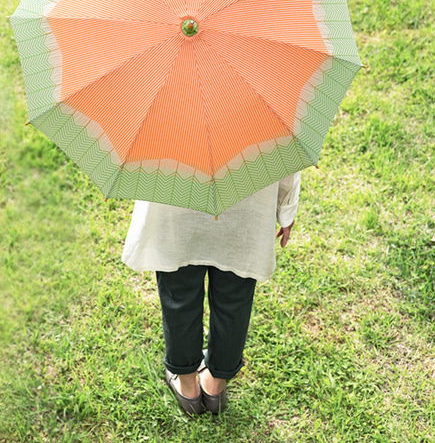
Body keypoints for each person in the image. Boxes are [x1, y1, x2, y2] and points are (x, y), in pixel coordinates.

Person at [122, 172, 301, 415]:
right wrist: (286, 210)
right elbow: (287, 158)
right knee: (234, 298)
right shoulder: (270, 130)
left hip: (176, 200)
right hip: (246, 204)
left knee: (179, 296)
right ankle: (215, 387)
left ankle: (187, 387)